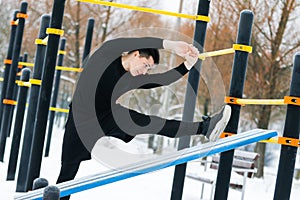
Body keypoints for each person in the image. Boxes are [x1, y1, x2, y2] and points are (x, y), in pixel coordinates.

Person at [56, 37, 231, 199]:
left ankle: (205, 128)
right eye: (146, 64)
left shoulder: (132, 78)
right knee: (68, 171)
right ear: (136, 53)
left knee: (153, 123)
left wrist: (187, 65)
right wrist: (171, 45)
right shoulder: (107, 54)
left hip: (109, 115)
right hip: (80, 120)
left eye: (149, 69)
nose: (145, 71)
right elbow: (141, 40)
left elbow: (162, 79)